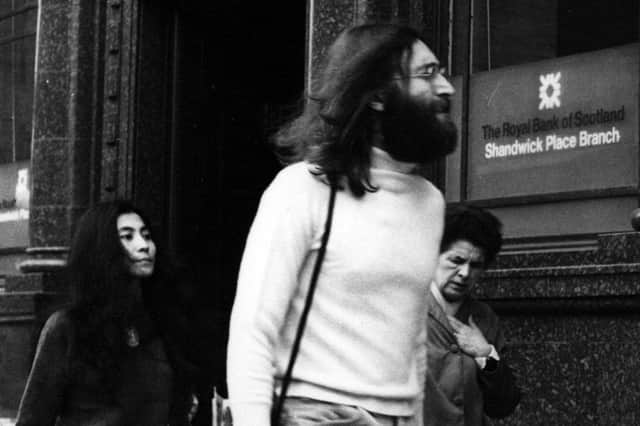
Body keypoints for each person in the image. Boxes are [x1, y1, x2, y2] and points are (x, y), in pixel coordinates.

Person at [226, 23, 457, 426]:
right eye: (427, 73)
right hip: (315, 414)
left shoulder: (429, 202)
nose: (447, 88)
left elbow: (412, 340)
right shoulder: (301, 189)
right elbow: (253, 331)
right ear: (379, 95)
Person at [16, 200, 200, 425]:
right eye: (128, 236)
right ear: (103, 247)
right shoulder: (67, 326)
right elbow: (34, 418)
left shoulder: (161, 323)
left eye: (147, 235)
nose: (144, 245)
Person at [424, 205, 521, 425]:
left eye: (475, 265)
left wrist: (485, 354)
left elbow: (503, 404)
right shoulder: (409, 309)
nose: (465, 273)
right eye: (456, 261)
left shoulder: (484, 318)